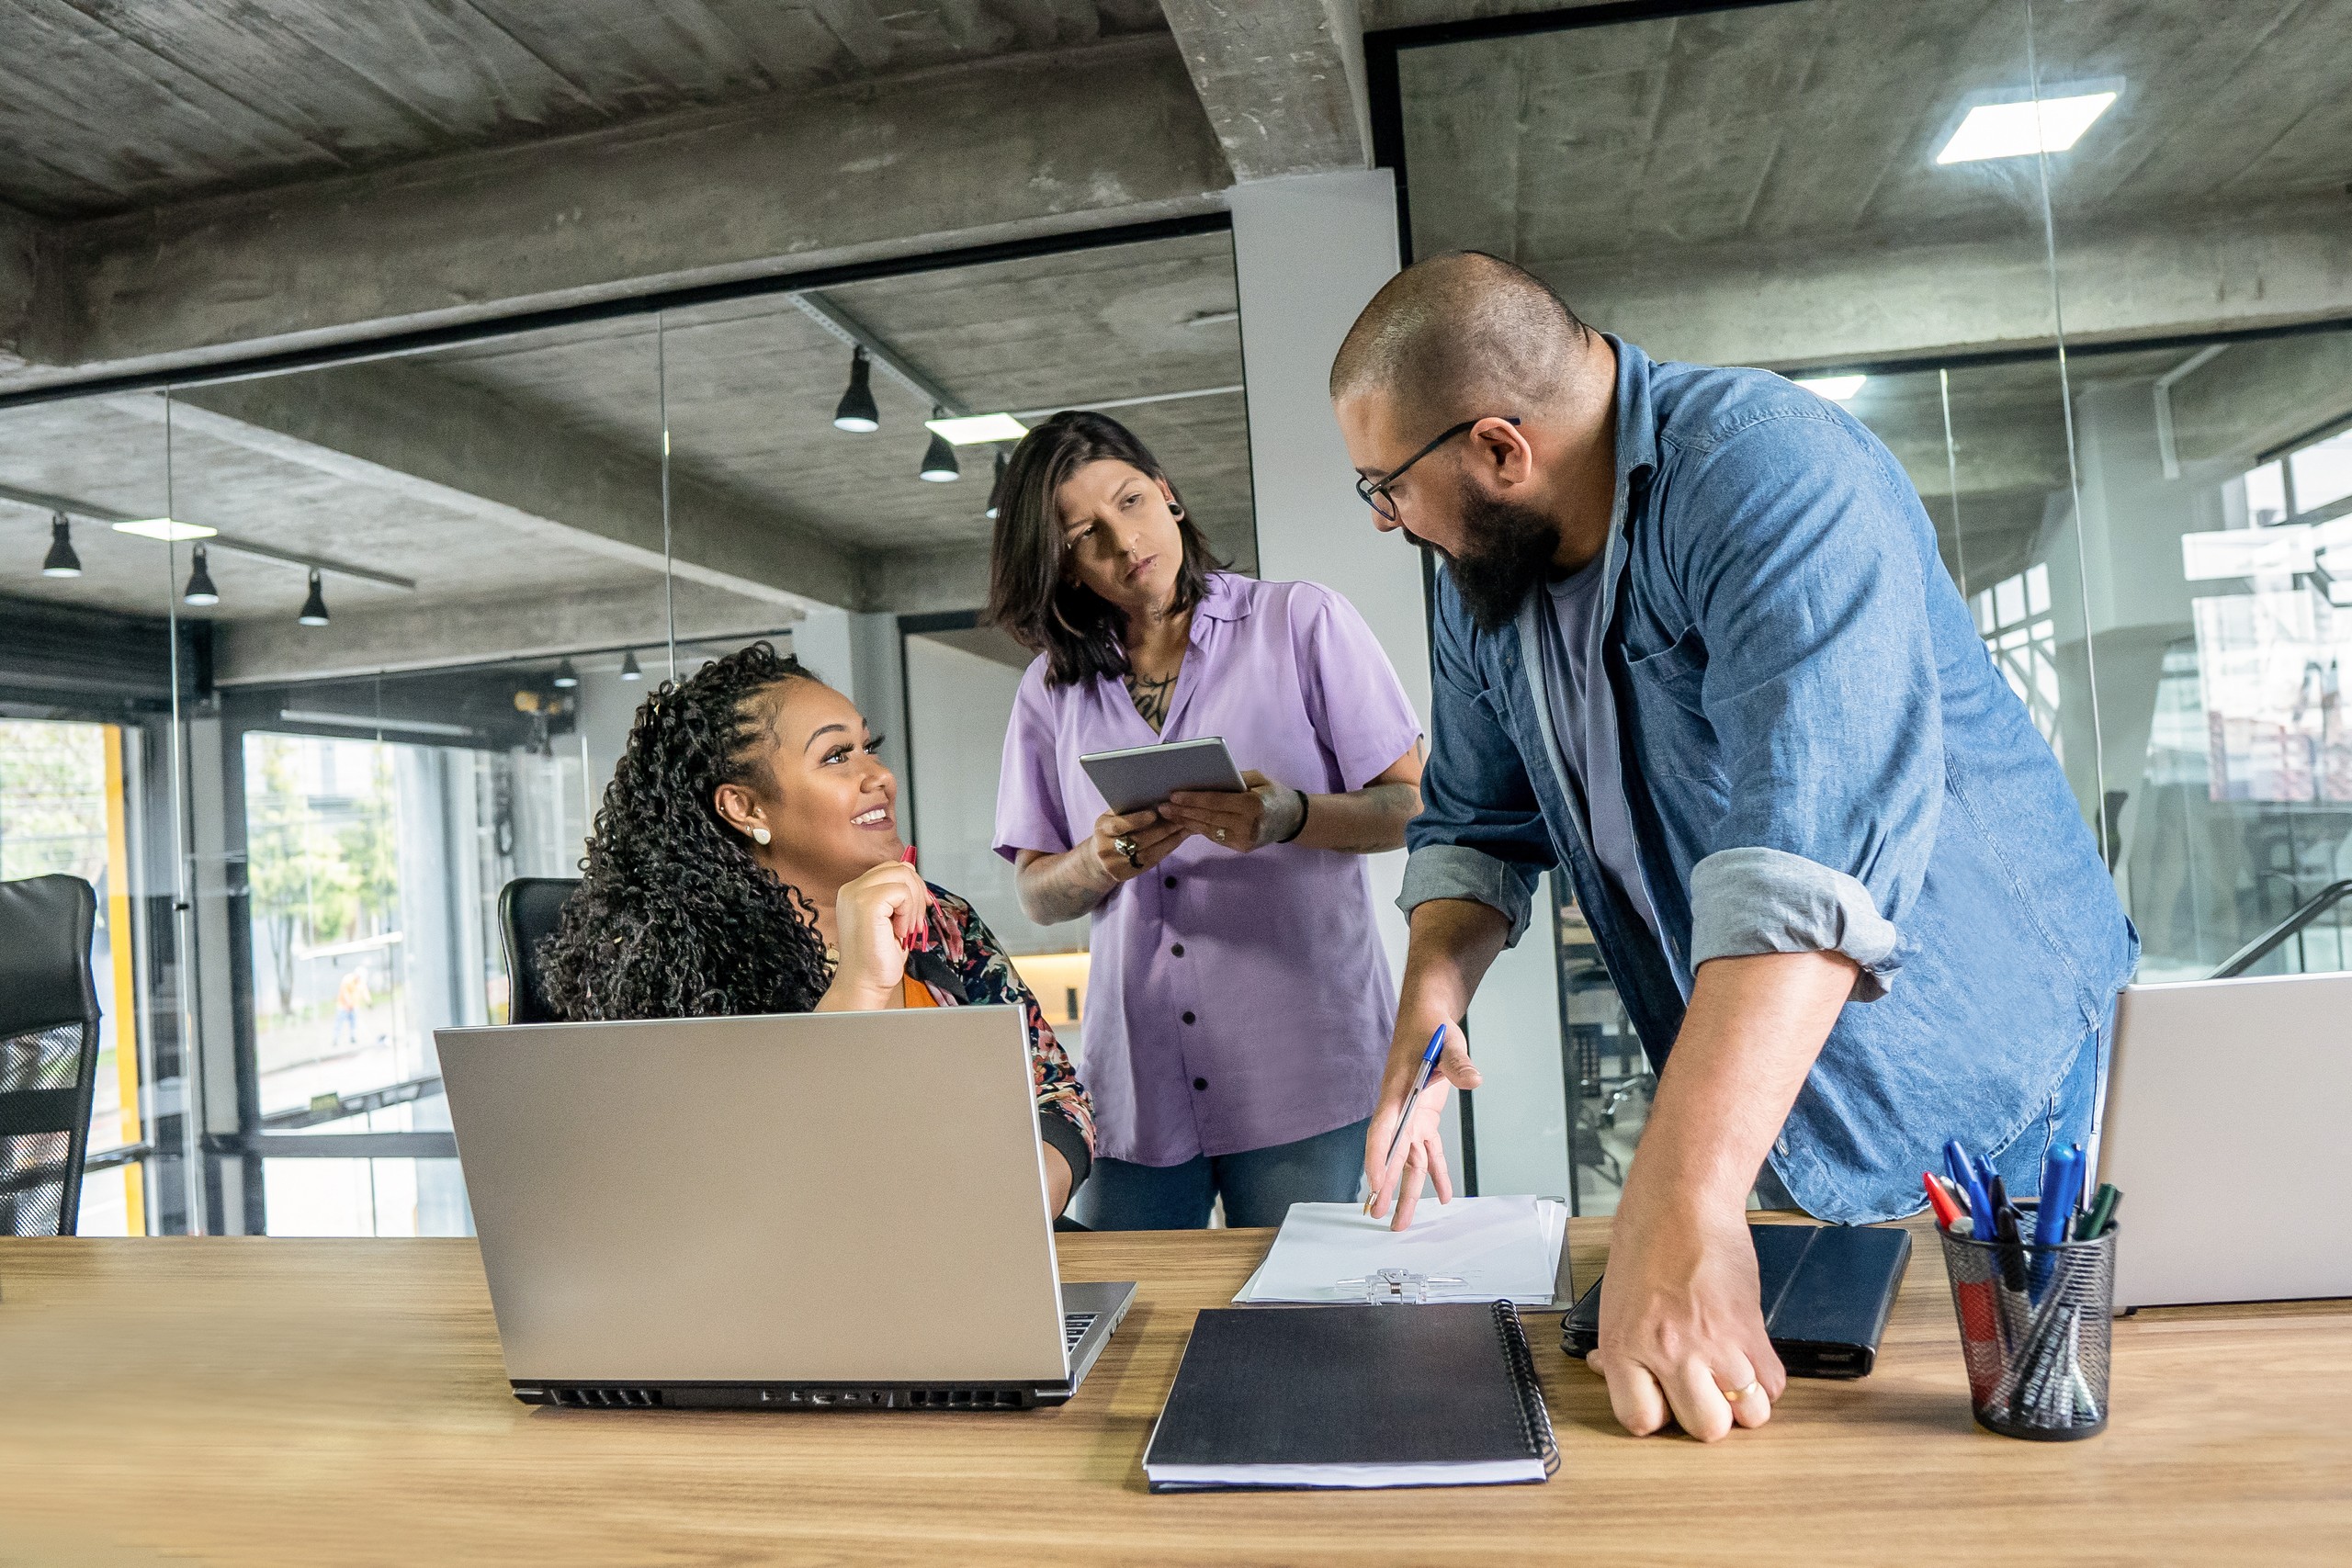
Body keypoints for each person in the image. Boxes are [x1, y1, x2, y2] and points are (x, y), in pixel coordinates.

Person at [1329, 253, 2135, 1441]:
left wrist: (1682, 1190)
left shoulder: (1769, 470)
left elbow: (1808, 861)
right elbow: (1471, 818)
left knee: (2030, 1438)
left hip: (1982, 1076)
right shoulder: (1477, 580)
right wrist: (1428, 1008)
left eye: (1382, 487)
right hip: (1775, 1095)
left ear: (1502, 449)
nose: (1389, 521)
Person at [989, 412, 1426, 1230]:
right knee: (1128, 1329)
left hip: (1307, 1067)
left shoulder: (1303, 623)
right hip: (1138, 1088)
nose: (1125, 543)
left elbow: (1411, 803)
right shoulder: (1050, 690)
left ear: (1169, 494)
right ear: (1064, 564)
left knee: (1316, 1335)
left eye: (1131, 502)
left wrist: (1289, 816)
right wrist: (1098, 860)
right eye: (1088, 534)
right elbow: (1037, 894)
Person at [537, 641, 1094, 1215]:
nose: (878, 775)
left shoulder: (939, 918)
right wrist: (862, 986)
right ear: (745, 808)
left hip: (980, 1236)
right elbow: (731, 1182)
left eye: (867, 747)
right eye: (836, 757)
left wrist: (1026, 1190)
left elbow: (1055, 1089)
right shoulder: (679, 958)